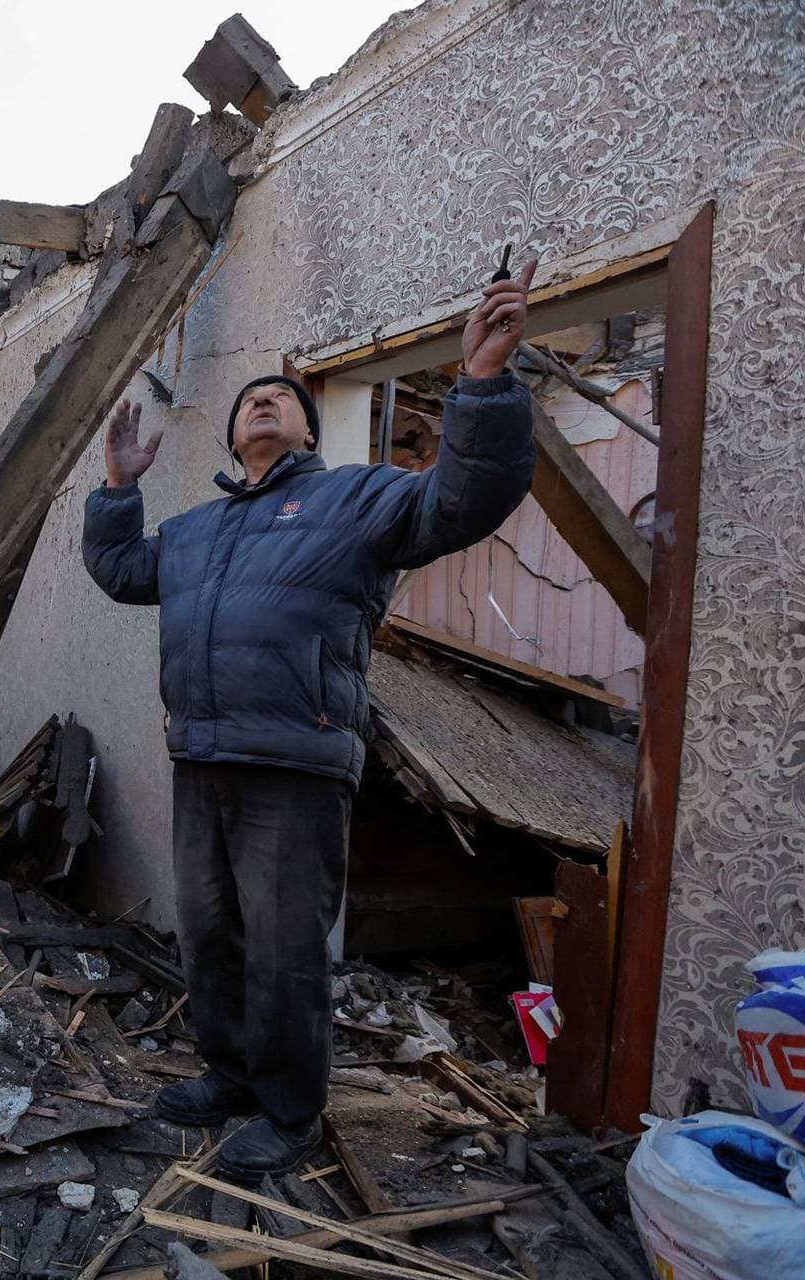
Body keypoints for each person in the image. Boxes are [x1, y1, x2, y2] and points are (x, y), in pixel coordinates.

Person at [81, 261, 540, 1178]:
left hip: (296, 760)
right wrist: (120, 489)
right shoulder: (201, 530)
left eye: (281, 397)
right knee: (210, 931)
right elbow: (123, 572)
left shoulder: (353, 499)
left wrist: (481, 388)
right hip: (203, 755)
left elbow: (462, 500)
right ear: (230, 429)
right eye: (250, 397)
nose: (263, 401)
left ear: (308, 428)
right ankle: (228, 1073)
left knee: (286, 947)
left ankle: (289, 1110)